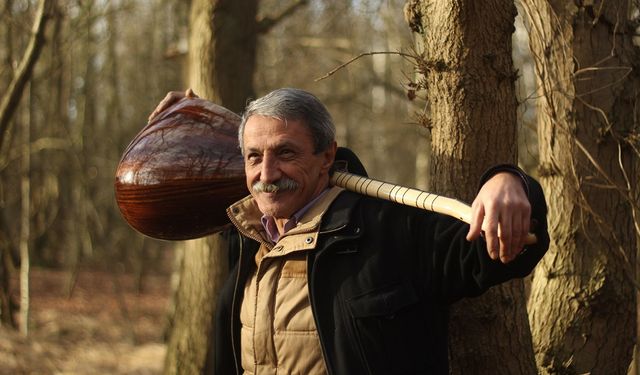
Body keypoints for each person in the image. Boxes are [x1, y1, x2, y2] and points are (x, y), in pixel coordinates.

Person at [151, 88, 549, 375]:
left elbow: (507, 249)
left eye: (286, 153)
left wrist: (509, 182)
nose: (266, 174)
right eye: (254, 157)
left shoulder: (390, 230)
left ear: (327, 156)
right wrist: (192, 121)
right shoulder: (243, 236)